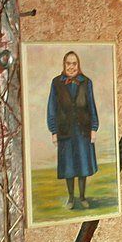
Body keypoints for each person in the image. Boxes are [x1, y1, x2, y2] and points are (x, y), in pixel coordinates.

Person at [47, 50, 99, 210]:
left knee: (82, 166)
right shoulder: (56, 83)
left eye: (74, 64)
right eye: (68, 63)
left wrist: (94, 128)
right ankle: (71, 198)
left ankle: (82, 197)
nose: (71, 67)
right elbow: (51, 108)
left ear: (78, 65)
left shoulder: (86, 82)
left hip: (83, 131)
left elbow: (91, 106)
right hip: (65, 132)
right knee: (68, 167)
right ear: (64, 65)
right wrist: (54, 131)